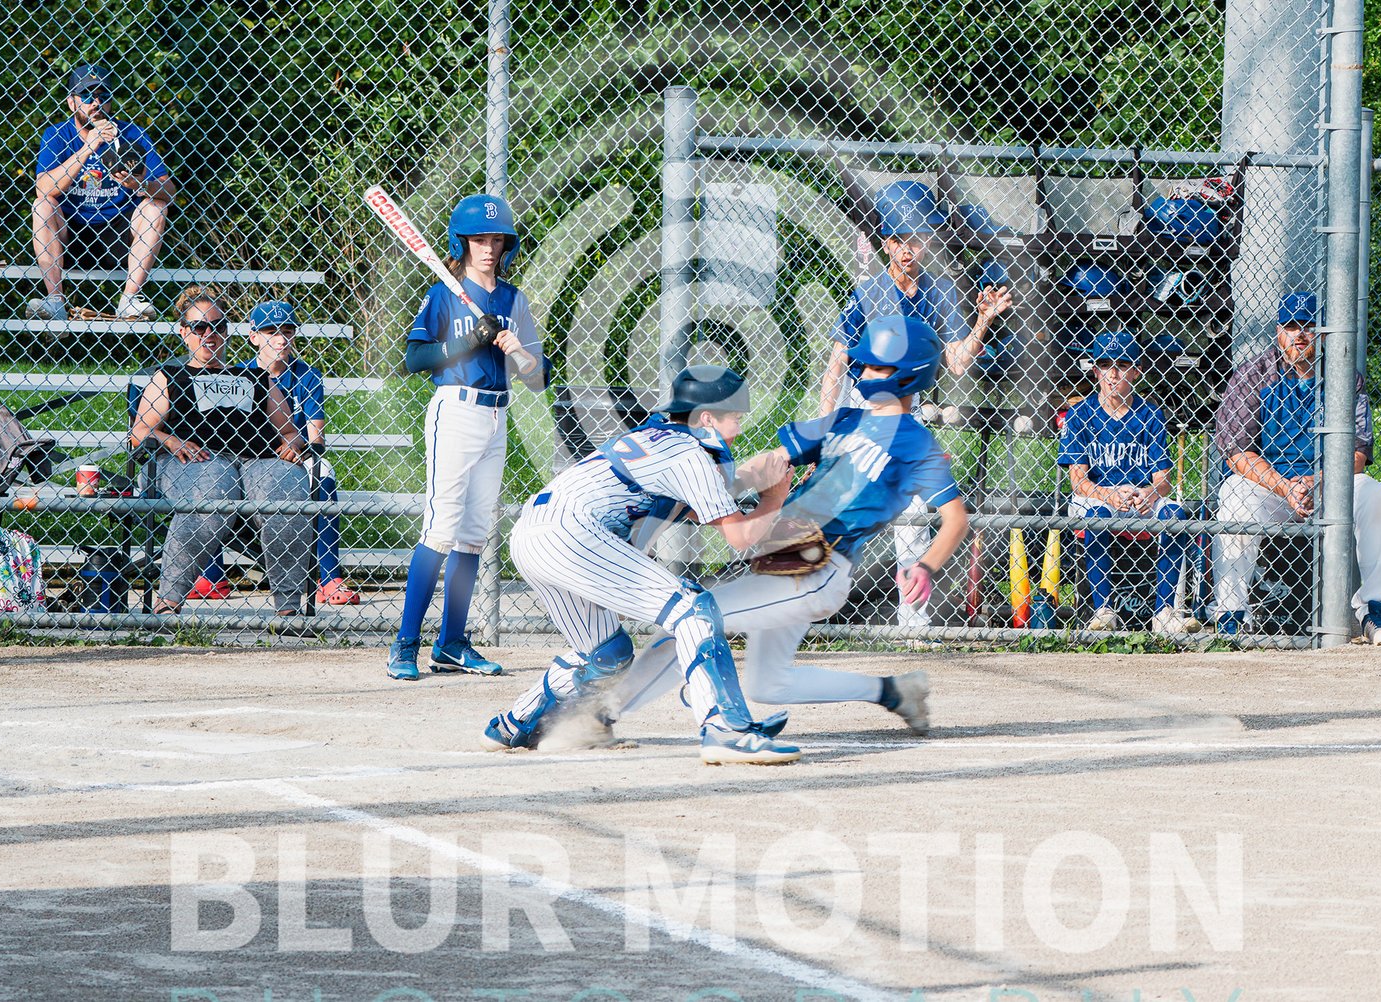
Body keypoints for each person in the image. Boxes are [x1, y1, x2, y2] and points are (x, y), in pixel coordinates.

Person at [490, 318, 967, 752]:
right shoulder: (843, 420)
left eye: (879, 367)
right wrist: (745, 481)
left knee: (693, 619)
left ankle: (603, 717)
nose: (864, 372)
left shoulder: (918, 443)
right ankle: (894, 692)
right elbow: (769, 464)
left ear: (910, 374)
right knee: (768, 683)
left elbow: (955, 518)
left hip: (821, 566)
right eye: (866, 364)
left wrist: (926, 565)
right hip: (782, 559)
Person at [485, 365, 805, 765]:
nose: (738, 429)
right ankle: (727, 729)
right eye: (735, 418)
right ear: (707, 418)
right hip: (572, 534)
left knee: (605, 654)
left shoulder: (662, 440)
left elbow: (708, 501)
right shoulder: (690, 454)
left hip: (534, 534)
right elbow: (739, 536)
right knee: (693, 609)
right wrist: (775, 499)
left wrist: (770, 480)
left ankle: (514, 725)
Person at [817, 181, 1012, 627]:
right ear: (885, 244)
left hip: (906, 407)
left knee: (911, 513)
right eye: (898, 240)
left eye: (917, 239)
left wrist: (982, 321)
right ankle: (809, 608)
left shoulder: (939, 291)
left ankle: (912, 621)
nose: (908, 249)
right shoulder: (868, 291)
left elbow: (958, 363)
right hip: (861, 404)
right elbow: (836, 365)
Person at [386, 193, 547, 680]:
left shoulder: (514, 300)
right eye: (479, 239)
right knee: (441, 528)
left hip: (498, 416)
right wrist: (469, 340)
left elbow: (537, 379)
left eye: (497, 240)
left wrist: (519, 351)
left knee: (474, 535)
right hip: (455, 412)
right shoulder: (443, 294)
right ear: (461, 243)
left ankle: (452, 643)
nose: (488, 248)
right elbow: (415, 359)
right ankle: (405, 645)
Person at [1212, 291, 1381, 644]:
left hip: (1330, 484)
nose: (1300, 334)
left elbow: (1358, 453)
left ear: (1324, 332)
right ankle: (1231, 615)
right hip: (1270, 487)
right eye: (1291, 326)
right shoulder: (1254, 374)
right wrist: (1286, 486)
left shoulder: (1345, 377)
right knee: (1234, 494)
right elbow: (1236, 453)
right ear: (1278, 332)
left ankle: (1375, 611)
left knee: (1377, 497)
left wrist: (1319, 481)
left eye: (1309, 325)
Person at [127, 292, 312, 615]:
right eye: (199, 327)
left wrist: (291, 445)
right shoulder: (170, 376)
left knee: (286, 491)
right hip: (193, 460)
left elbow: (289, 431)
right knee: (213, 487)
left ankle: (289, 608)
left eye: (218, 326)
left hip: (258, 459)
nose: (209, 334)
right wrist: (171, 441)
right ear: (183, 332)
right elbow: (140, 432)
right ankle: (169, 601)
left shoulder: (255, 378)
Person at [185, 300, 362, 606]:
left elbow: (315, 436)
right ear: (254, 336)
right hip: (248, 459)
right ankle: (212, 575)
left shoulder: (307, 375)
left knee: (324, 472)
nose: (281, 339)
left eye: (287, 331)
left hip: (294, 457)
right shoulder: (238, 375)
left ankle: (329, 577)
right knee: (214, 477)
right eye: (271, 332)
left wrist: (296, 446)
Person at [1059, 330, 1201, 635]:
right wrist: (1107, 495)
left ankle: (1164, 612)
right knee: (1097, 516)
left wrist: (1150, 493)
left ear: (1136, 371)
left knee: (1174, 514)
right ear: (1095, 371)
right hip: (1097, 497)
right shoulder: (1079, 414)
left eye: (1122, 365)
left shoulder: (1150, 414)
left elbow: (1163, 480)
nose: (1112, 374)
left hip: (1139, 496)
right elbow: (1078, 481)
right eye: (1105, 365)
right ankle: (1103, 611)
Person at [27, 64, 173, 322]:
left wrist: (141, 184)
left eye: (103, 96)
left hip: (118, 233)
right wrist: (89, 146)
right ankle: (55, 301)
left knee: (157, 206)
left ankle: (129, 300)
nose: (96, 103)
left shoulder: (132, 133)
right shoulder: (57, 134)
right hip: (70, 233)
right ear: (71, 102)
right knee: (42, 205)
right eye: (87, 96)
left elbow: (169, 190)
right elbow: (43, 188)